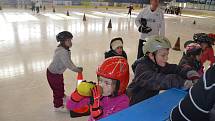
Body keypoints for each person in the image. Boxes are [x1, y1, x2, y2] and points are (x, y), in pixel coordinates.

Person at [127, 35, 200, 105]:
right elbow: (159, 80)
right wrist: (182, 83)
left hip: (148, 101)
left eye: (167, 55)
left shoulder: (158, 64)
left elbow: (176, 68)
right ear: (151, 55)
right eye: (163, 55)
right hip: (133, 103)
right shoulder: (141, 68)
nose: (166, 58)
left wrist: (191, 73)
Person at [66, 57, 130, 121]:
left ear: (120, 85)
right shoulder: (97, 94)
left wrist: (96, 112)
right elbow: (70, 107)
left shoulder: (123, 102)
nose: (101, 85)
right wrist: (77, 95)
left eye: (107, 83)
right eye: (100, 80)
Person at [47, 31, 83, 112]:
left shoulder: (62, 49)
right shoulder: (63, 52)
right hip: (53, 74)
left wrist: (76, 68)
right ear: (62, 42)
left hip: (57, 73)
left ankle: (62, 97)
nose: (70, 42)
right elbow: (68, 64)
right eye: (68, 40)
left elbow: (68, 61)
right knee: (57, 90)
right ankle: (58, 106)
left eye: (70, 40)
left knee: (60, 85)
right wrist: (77, 69)